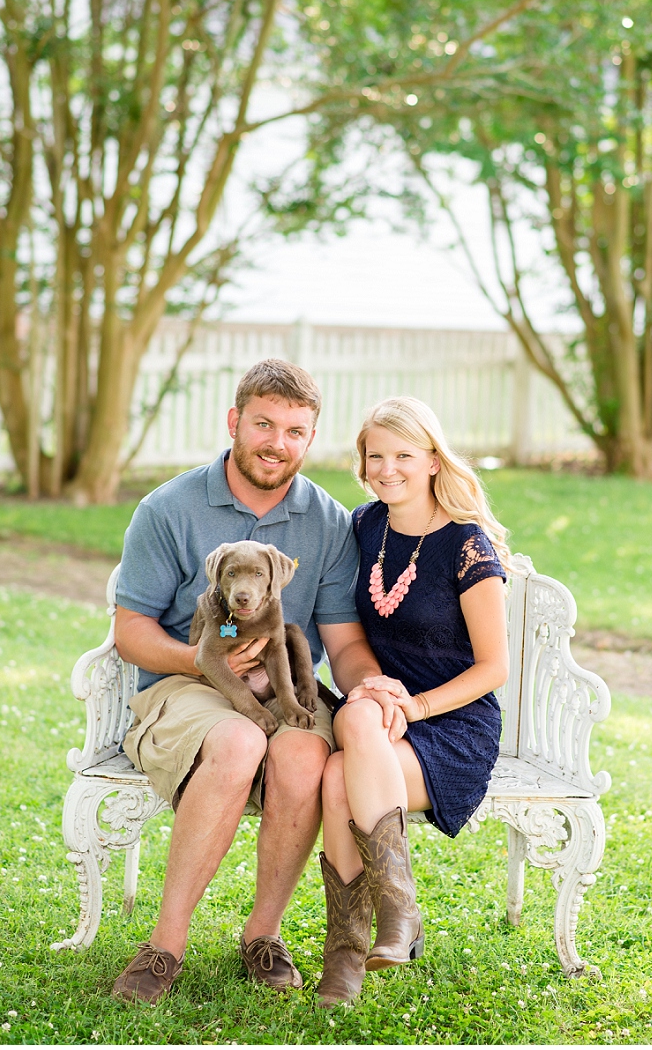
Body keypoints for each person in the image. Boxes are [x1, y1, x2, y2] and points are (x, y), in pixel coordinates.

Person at [108, 358, 378, 1001]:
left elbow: (342, 642)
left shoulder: (329, 522)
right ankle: (164, 948)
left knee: (306, 749)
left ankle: (263, 936)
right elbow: (131, 631)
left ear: (310, 440)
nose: (276, 444)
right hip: (182, 685)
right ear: (235, 421)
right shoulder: (168, 508)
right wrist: (208, 662)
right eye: (263, 424)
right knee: (237, 742)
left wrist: (371, 686)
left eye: (294, 431)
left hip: (281, 689)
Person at [312, 396, 508, 1007]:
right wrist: (375, 691)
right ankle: (389, 923)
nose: (387, 467)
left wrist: (416, 708)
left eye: (403, 454)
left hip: (449, 724)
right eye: (376, 456)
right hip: (377, 710)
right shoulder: (364, 527)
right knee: (356, 725)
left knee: (342, 768)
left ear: (431, 460)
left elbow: (495, 667)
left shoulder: (467, 544)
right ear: (363, 463)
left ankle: (351, 950)